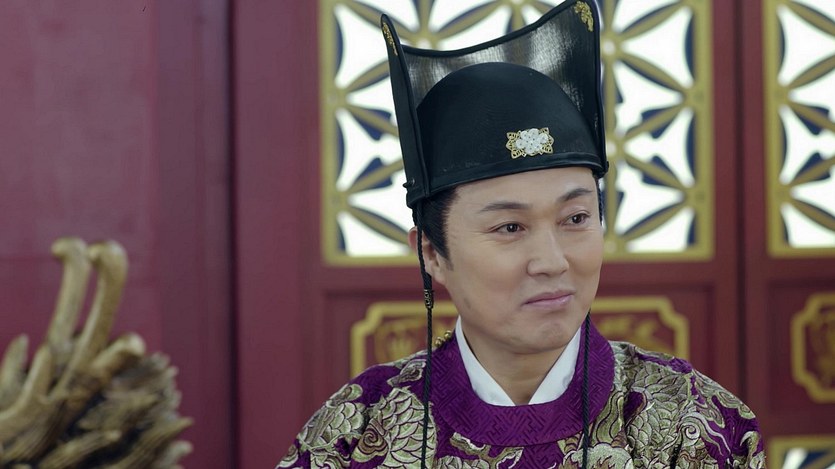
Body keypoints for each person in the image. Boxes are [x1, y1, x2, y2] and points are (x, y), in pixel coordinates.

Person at [277, 1, 765, 467]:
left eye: (575, 219)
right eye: (510, 227)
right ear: (431, 252)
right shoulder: (353, 435)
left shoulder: (694, 425)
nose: (551, 261)